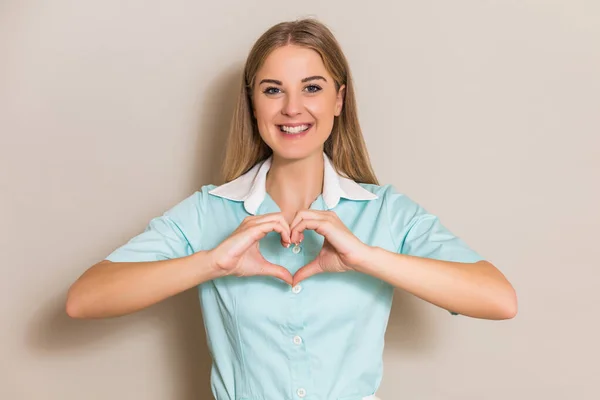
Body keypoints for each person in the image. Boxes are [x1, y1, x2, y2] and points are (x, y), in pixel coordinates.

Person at [66, 18, 517, 400]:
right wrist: (212, 263)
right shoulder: (209, 212)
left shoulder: (387, 212)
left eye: (312, 87)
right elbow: (84, 299)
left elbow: (498, 299)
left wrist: (366, 257)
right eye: (273, 90)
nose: (293, 108)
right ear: (252, 102)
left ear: (338, 100)